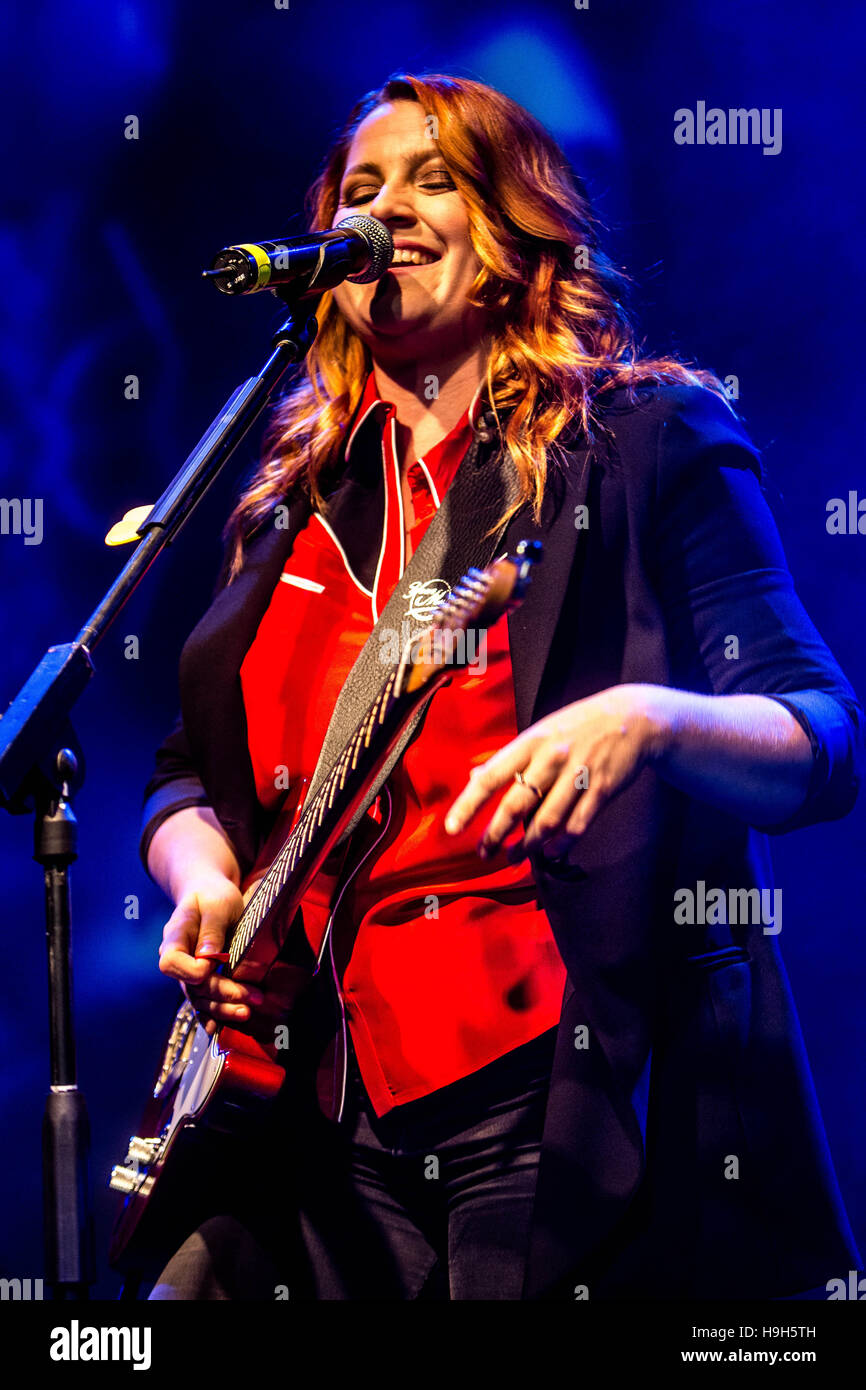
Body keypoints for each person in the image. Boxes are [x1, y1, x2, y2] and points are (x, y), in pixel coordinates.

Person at [141, 72, 862, 1300]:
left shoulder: (641, 440)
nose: (389, 208)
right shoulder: (292, 510)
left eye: (436, 180)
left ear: (516, 232)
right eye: (360, 189)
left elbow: (820, 737)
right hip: (313, 1089)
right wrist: (202, 874)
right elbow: (180, 776)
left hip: (548, 1084)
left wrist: (653, 721)